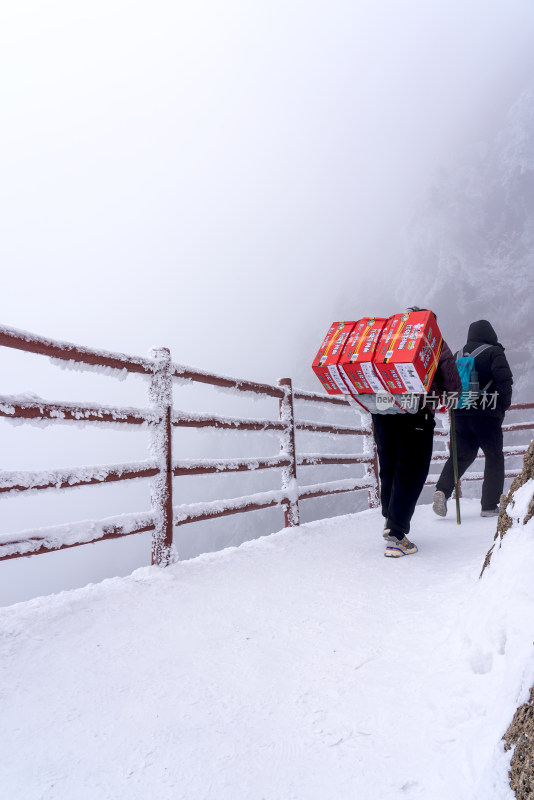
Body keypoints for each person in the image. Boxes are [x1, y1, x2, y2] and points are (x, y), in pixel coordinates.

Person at [372, 309, 462, 558]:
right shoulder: (432, 343)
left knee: (389, 466)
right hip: (415, 412)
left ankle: (390, 521)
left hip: (382, 410)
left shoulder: (388, 339)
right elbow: (453, 385)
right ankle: (396, 537)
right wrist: (451, 399)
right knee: (411, 470)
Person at [433, 319, 513, 518]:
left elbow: (447, 384)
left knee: (459, 457)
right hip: (487, 415)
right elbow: (504, 383)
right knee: (494, 457)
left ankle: (442, 490)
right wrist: (501, 407)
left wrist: (454, 409)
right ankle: (488, 506)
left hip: (460, 414)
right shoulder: (495, 352)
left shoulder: (458, 354)